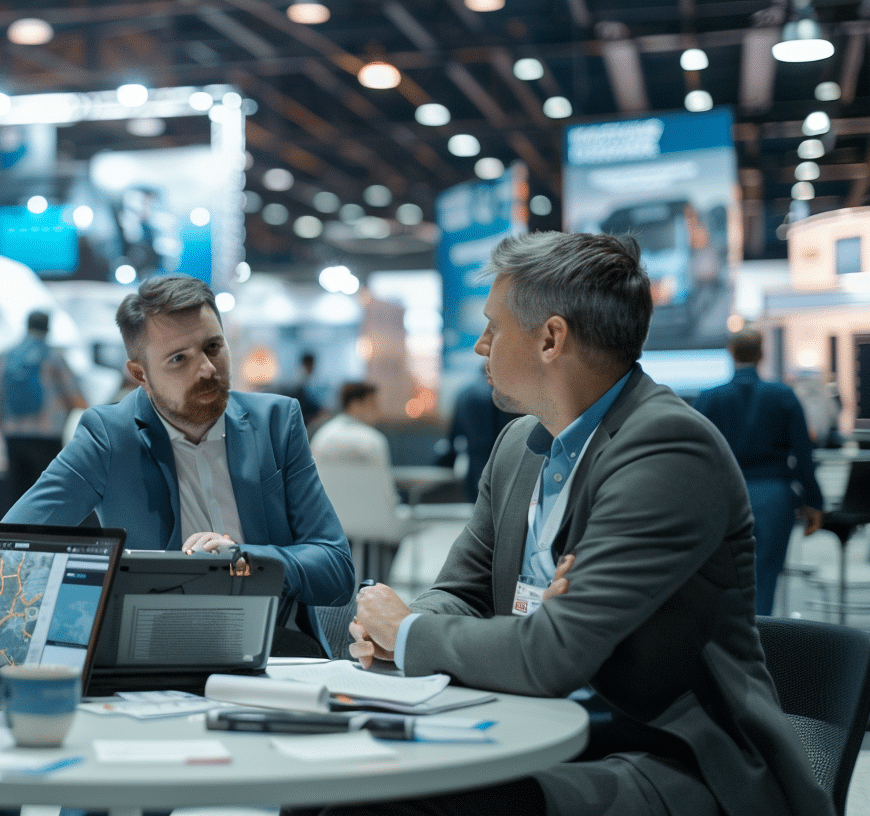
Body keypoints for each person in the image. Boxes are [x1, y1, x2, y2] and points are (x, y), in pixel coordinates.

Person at [339, 233, 830, 816]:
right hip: (529, 724)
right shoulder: (518, 444)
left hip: (665, 757)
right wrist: (406, 625)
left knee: (388, 804)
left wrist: (411, 635)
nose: (479, 346)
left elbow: (552, 654)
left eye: (494, 329)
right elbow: (463, 590)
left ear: (551, 339)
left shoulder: (668, 449)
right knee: (333, 783)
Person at [4, 275, 354, 651]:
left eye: (213, 347)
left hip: (273, 645)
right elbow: (10, 549)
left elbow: (335, 568)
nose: (206, 369)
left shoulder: (276, 422)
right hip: (156, 650)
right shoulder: (109, 435)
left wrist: (241, 560)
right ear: (141, 374)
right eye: (178, 359)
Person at [694, 329, 824, 616]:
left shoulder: (708, 399)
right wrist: (814, 501)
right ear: (762, 354)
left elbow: (696, 455)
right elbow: (803, 453)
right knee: (765, 577)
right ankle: (764, 648)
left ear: (731, 351)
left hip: (723, 496)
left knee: (720, 579)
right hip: (773, 494)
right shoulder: (782, 396)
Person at [311, 382, 405, 581]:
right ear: (355, 404)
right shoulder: (372, 441)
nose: (378, 410)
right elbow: (385, 493)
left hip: (327, 525)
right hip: (375, 530)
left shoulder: (323, 436)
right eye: (373, 404)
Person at [0, 310, 88, 502]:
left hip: (13, 435)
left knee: (17, 496)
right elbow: (75, 396)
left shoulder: (5, 356)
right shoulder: (53, 357)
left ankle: (15, 531)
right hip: (47, 436)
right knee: (45, 495)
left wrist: (2, 431)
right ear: (48, 329)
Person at [437, 365, 519, 502]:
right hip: (505, 463)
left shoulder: (464, 393)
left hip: (474, 463)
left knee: (478, 504)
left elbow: (453, 436)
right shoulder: (505, 394)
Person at [285, 351, 326, 426]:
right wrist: (318, 409)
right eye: (313, 364)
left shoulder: (299, 375)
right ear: (308, 364)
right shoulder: (300, 378)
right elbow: (305, 399)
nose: (314, 368)